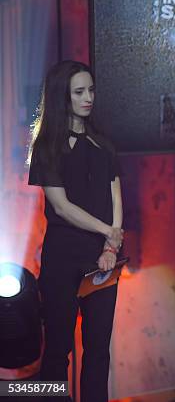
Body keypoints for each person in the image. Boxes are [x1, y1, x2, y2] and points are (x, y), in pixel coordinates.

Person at [27, 60, 123, 401]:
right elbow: (61, 206)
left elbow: (115, 193)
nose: (88, 98)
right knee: (57, 351)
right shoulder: (47, 147)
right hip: (62, 258)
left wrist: (111, 246)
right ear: (62, 97)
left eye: (91, 90)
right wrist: (108, 232)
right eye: (79, 92)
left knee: (98, 351)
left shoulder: (104, 144)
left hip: (102, 261)